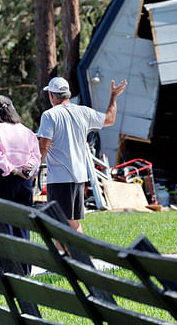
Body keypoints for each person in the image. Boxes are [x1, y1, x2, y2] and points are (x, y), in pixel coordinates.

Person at [36, 76, 127, 235]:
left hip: (60, 178)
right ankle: (77, 256)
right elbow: (110, 119)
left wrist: (31, 171)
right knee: (71, 222)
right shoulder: (83, 112)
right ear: (68, 95)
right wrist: (113, 96)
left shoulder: (49, 115)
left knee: (60, 223)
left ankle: (71, 257)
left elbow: (43, 147)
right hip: (79, 176)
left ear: (51, 96)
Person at [0, 95, 41, 275]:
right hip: (23, 181)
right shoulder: (27, 131)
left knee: (0, 225)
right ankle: (24, 269)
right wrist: (28, 170)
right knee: (22, 224)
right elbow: (35, 155)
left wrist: (12, 169)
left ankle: (8, 269)